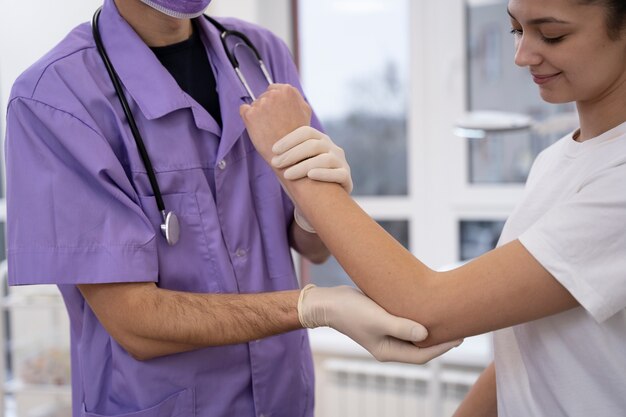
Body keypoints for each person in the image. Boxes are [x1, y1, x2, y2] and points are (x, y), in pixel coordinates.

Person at [4, 0, 460, 416]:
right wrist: (313, 307)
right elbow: (135, 323)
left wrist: (312, 206)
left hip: (285, 398)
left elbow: (312, 248)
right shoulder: (54, 99)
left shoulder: (258, 56)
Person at [240, 0, 626, 415]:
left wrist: (291, 158)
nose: (522, 56)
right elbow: (530, 350)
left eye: (552, 35)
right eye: (516, 30)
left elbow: (427, 308)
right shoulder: (556, 160)